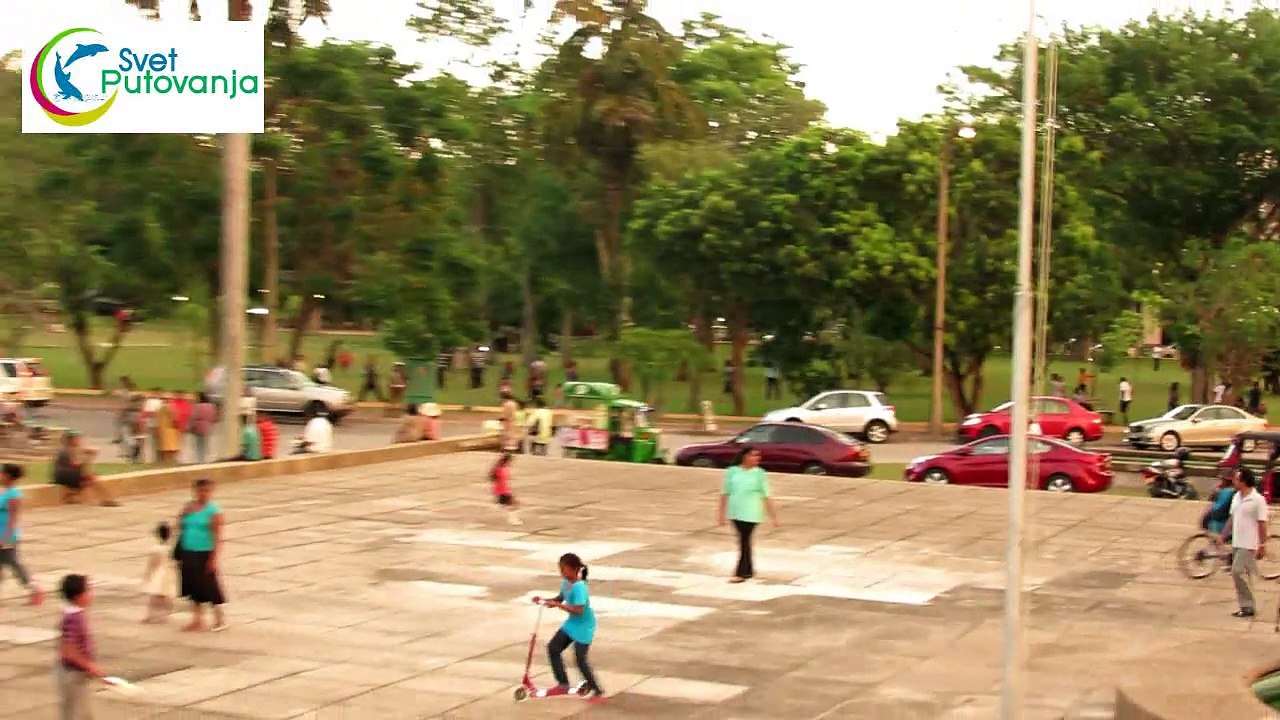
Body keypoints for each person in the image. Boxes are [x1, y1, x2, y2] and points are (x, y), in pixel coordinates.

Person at [531, 553, 604, 703]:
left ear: (573, 569)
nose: (561, 572)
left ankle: (597, 691)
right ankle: (563, 683)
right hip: (572, 624)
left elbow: (578, 610)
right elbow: (560, 597)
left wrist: (558, 605)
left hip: (584, 626)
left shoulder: (580, 587)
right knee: (553, 648)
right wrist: (545, 600)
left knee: (580, 659)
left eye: (563, 569)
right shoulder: (566, 583)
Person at [717, 446, 779, 583]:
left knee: (744, 540)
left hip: (751, 512)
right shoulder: (732, 471)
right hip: (735, 512)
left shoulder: (759, 474)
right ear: (745, 456)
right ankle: (748, 570)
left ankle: (741, 572)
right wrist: (721, 514)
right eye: (753, 455)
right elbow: (725, 493)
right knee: (744, 540)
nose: (757, 458)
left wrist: (773, 516)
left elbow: (766, 495)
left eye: (758, 456)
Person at [56, 574, 109, 720]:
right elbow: (67, 649)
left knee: (83, 714)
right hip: (72, 674)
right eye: (88, 591)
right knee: (75, 714)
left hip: (77, 673)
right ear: (78, 596)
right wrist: (90, 666)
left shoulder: (75, 614)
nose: (91, 594)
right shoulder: (74, 618)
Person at [177, 479, 226, 632]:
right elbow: (179, 526)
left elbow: (218, 536)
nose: (203, 494)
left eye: (206, 491)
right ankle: (197, 619)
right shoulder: (188, 507)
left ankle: (220, 618)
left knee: (210, 586)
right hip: (188, 550)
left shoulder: (214, 511)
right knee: (192, 586)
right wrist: (182, 516)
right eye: (200, 491)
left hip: (204, 552)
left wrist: (213, 558)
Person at [1220, 467, 1268, 618]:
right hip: (1237, 541)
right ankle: (1246, 606)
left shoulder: (1258, 500)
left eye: (1237, 479)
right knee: (1242, 575)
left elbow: (1262, 523)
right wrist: (1224, 535)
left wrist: (1262, 545)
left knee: (1237, 571)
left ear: (1244, 481)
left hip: (1249, 543)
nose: (1234, 481)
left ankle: (1248, 605)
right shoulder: (1237, 497)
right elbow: (1232, 517)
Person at [0, 464, 43, 606]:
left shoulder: (13, 495)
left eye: (2, 474)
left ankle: (34, 589)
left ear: (8, 476)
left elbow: (13, 518)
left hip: (7, 536)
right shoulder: (6, 493)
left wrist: (5, 538)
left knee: (14, 565)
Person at [53, 433, 119, 506]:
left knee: (88, 477)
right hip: (65, 476)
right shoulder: (68, 450)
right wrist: (88, 458)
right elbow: (77, 464)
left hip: (65, 475)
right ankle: (106, 499)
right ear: (70, 440)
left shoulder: (67, 449)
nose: (79, 440)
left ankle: (72, 496)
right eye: (76, 438)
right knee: (91, 477)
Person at [140, 522, 175, 623]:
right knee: (166, 596)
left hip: (159, 573)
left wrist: (147, 575)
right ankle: (165, 616)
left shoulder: (156, 549)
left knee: (154, 596)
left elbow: (152, 564)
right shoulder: (171, 548)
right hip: (169, 573)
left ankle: (150, 615)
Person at [490, 452, 521, 525]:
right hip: (502, 490)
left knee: (510, 504)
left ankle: (511, 518)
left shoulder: (501, 468)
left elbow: (498, 479)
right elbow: (499, 479)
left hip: (503, 489)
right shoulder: (500, 469)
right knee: (514, 504)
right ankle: (513, 520)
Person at [189, 393, 217, 464]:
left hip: (198, 427)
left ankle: (200, 460)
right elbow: (214, 417)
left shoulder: (197, 406)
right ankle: (207, 459)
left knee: (199, 445)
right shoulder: (211, 406)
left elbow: (193, 417)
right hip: (208, 426)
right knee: (206, 444)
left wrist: (191, 426)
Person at [155, 394, 181, 465]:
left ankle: (165, 461)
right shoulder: (171, 408)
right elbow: (175, 419)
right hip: (170, 430)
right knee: (171, 447)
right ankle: (171, 461)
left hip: (162, 429)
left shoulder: (159, 409)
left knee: (164, 447)